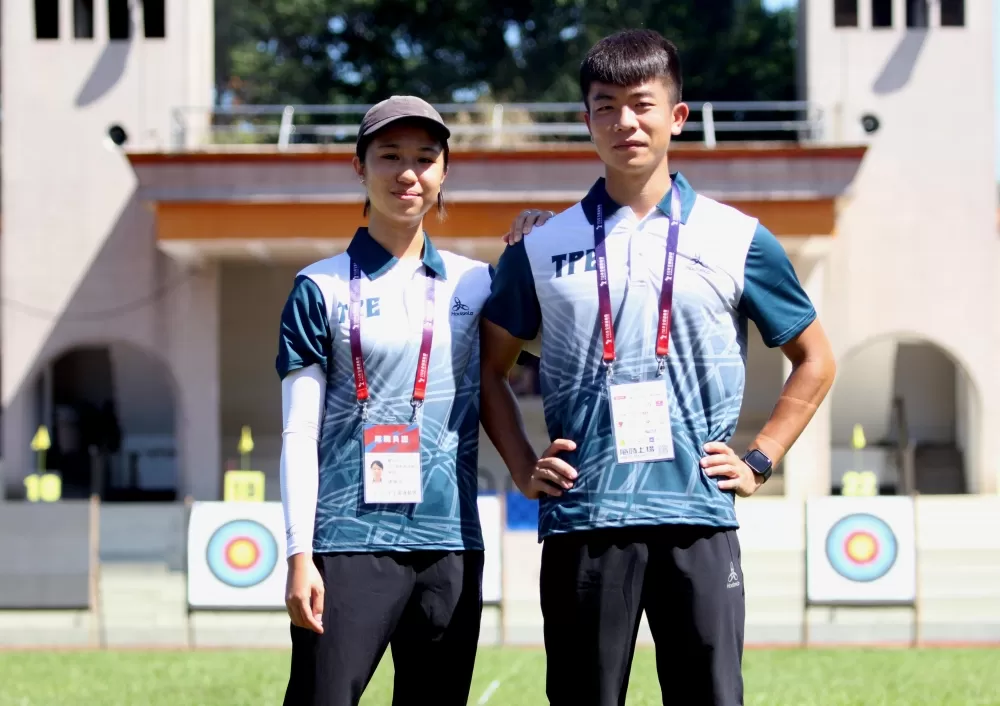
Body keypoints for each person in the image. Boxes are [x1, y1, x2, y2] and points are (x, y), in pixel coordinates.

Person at [479, 29, 837, 706]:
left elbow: (815, 359)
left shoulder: (738, 238)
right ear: (586, 121)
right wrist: (523, 467)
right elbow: (488, 369)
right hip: (585, 517)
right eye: (606, 106)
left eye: (642, 104)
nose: (625, 122)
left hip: (698, 513)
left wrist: (760, 459)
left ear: (677, 115)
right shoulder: (541, 246)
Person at [275, 95, 548, 706]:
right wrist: (299, 554)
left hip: (450, 543)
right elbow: (298, 432)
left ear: (444, 172)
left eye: (425, 158)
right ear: (359, 167)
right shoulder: (318, 287)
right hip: (345, 542)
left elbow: (553, 341)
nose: (408, 173)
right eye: (390, 156)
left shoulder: (477, 281)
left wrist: (541, 247)